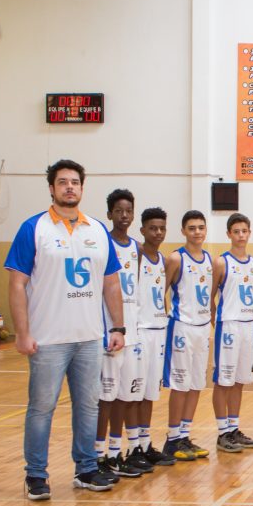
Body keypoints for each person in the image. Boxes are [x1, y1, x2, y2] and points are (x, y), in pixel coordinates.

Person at [5, 159, 124, 500]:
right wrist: (22, 333)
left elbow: (111, 283)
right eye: (62, 182)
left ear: (82, 188)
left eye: (74, 182)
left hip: (89, 338)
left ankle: (86, 469)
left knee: (88, 407)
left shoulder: (97, 230)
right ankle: (36, 475)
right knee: (42, 408)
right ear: (51, 188)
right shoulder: (33, 228)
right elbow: (17, 284)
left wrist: (118, 327)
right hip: (48, 340)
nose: (69, 187)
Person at [95, 189, 148, 479]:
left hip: (132, 331)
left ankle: (116, 453)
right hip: (110, 331)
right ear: (109, 214)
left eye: (128, 211)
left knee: (125, 396)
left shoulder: (137, 248)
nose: (124, 215)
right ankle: (97, 455)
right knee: (106, 398)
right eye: (118, 211)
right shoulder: (102, 244)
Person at [162, 210, 213, 461]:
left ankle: (184, 435)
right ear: (183, 231)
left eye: (201, 227)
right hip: (181, 327)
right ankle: (172, 439)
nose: (197, 232)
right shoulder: (175, 258)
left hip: (202, 328)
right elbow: (160, 291)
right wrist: (165, 317)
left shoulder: (209, 259)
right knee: (180, 385)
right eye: (192, 228)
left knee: (196, 384)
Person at [211, 213, 253, 453]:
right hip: (228, 325)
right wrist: (216, 323)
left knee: (239, 381)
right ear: (229, 234)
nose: (241, 235)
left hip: (248, 325)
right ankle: (222, 433)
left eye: (244, 231)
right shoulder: (222, 262)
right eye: (236, 231)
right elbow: (209, 297)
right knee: (224, 381)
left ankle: (234, 428)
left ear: (250, 233)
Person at [134, 206, 174, 466]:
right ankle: (132, 445)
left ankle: (145, 442)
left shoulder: (163, 260)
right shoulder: (136, 255)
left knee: (150, 392)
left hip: (158, 330)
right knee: (134, 392)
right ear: (143, 230)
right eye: (153, 228)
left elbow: (162, 293)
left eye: (161, 228)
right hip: (139, 330)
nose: (158, 232)